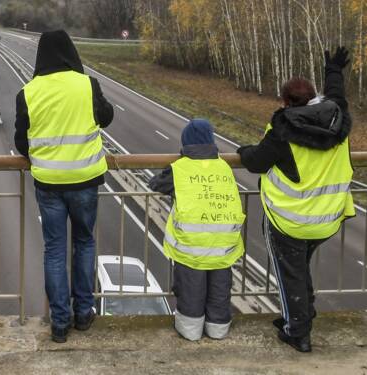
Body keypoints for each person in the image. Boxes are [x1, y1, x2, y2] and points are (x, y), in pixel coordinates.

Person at [237, 47, 354, 352]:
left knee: (290, 274)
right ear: (314, 98)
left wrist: (242, 150)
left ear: (286, 102)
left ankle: (297, 331)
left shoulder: (282, 130)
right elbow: (337, 96)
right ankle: (302, 314)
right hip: (328, 218)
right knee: (299, 269)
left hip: (289, 221)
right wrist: (333, 70)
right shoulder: (337, 120)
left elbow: (257, 162)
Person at [14, 30, 114, 343]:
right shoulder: (87, 84)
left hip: (49, 183)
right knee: (84, 243)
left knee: (54, 251)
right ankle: (84, 313)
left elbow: (21, 141)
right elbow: (107, 117)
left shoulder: (28, 92)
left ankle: (60, 323)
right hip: (85, 181)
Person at [149, 119, 245, 341]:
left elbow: (155, 184)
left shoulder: (179, 169)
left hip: (191, 248)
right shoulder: (225, 168)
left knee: (191, 290)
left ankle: (191, 331)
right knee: (220, 289)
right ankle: (218, 328)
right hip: (223, 247)